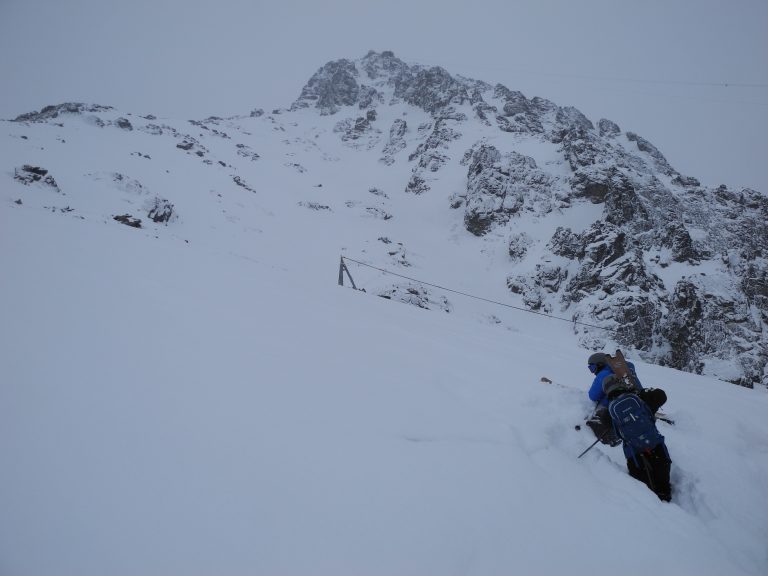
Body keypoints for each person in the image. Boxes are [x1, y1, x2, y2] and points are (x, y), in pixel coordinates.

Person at [603, 374, 672, 502]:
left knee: (643, 483)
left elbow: (619, 434)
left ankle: (650, 500)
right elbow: (658, 402)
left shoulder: (611, 409)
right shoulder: (637, 397)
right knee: (662, 469)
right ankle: (665, 493)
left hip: (634, 452)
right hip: (654, 442)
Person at [584, 352, 643, 446]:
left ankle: (613, 437)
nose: (593, 372)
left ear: (600, 364)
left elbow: (593, 396)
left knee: (596, 419)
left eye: (592, 368)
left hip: (616, 407)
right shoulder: (622, 369)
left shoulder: (604, 373)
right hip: (636, 402)